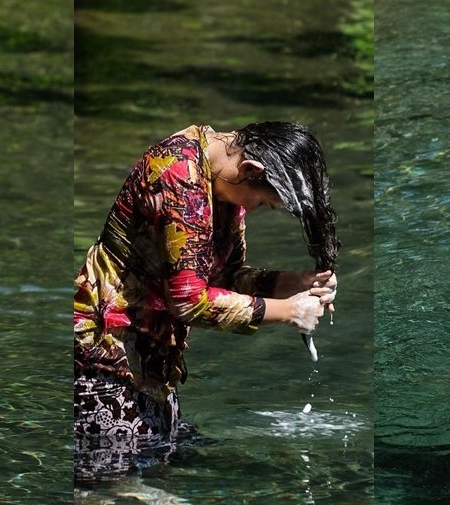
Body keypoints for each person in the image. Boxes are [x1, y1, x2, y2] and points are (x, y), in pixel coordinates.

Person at [73, 122, 340, 479]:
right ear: (250, 170)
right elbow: (189, 301)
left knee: (163, 458)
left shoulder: (223, 183)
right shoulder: (177, 175)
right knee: (110, 479)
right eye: (263, 202)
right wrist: (290, 312)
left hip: (152, 354)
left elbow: (223, 278)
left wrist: (297, 283)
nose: (256, 208)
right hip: (104, 349)